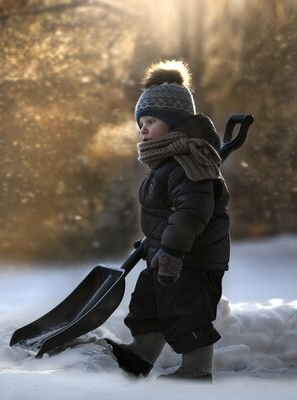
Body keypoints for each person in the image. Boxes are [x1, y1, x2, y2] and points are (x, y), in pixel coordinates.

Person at [106, 60, 230, 381]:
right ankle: (140, 354)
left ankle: (196, 370)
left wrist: (173, 249)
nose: (143, 129)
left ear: (174, 124)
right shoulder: (167, 161)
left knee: (186, 311)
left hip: (192, 259)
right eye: (141, 122)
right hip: (168, 253)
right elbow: (168, 213)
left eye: (151, 121)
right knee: (148, 303)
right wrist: (156, 240)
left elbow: (191, 212)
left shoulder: (190, 160)